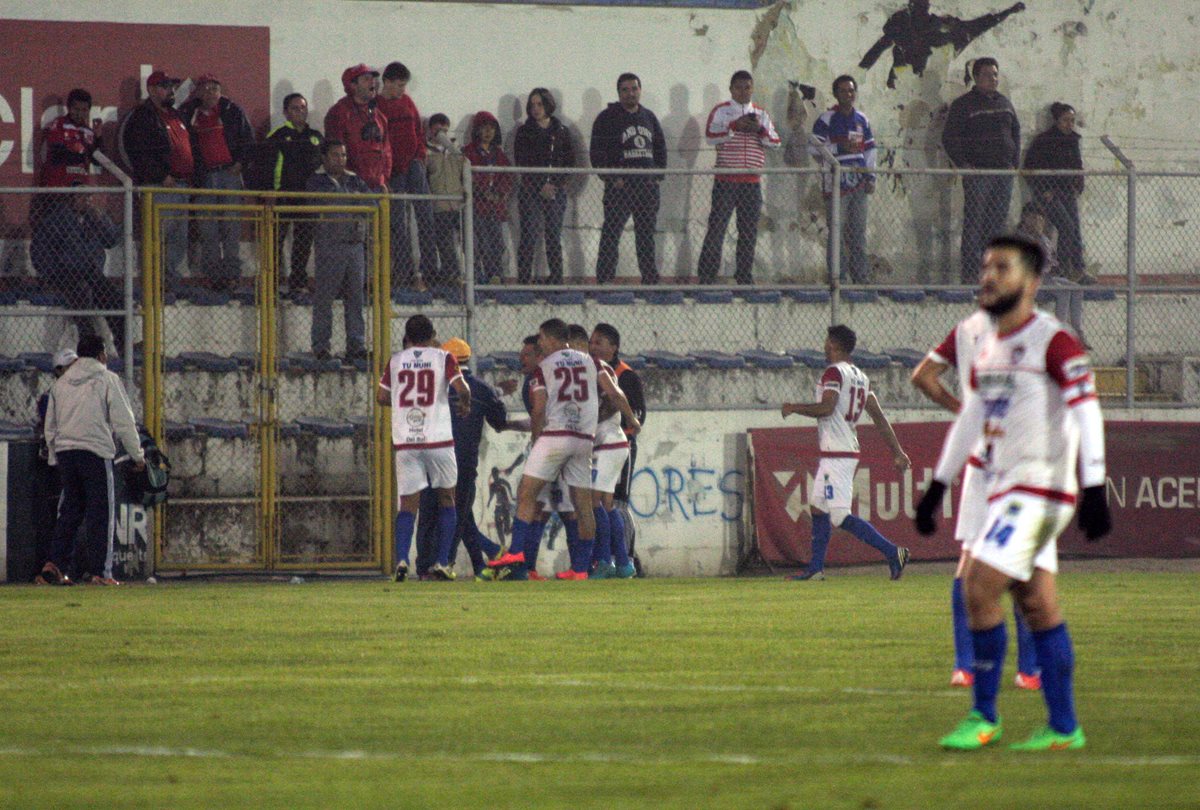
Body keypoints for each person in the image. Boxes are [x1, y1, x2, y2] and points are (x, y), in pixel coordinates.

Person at [916, 234, 1112, 751]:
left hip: (1040, 489)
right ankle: (1064, 727)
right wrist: (938, 484)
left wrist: (1094, 485)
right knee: (1038, 604)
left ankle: (983, 716)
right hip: (1005, 488)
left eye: (1001, 268)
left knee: (978, 586)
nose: (989, 276)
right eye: (985, 267)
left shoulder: (1054, 340)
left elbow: (1087, 410)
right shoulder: (989, 345)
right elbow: (973, 416)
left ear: (1031, 282)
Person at [911, 306, 1043, 691]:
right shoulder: (1036, 331)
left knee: (968, 563)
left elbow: (923, 377)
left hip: (980, 462)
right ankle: (1029, 671)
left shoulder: (967, 330)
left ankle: (964, 667)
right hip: (1019, 462)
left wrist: (963, 410)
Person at [488, 318, 640, 579]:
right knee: (584, 505)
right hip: (584, 440)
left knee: (527, 492)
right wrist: (632, 419)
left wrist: (537, 442)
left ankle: (515, 553)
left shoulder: (544, 367)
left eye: (542, 338)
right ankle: (582, 568)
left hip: (556, 437)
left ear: (553, 339)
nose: (540, 343)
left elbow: (538, 411)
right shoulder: (592, 362)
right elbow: (615, 393)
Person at [781, 325, 911, 580]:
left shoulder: (834, 373)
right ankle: (816, 570)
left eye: (827, 342)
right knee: (818, 507)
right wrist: (898, 451)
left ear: (834, 344)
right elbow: (878, 417)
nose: (824, 346)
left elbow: (827, 408)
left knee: (839, 516)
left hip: (837, 454)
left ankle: (893, 551)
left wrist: (795, 407)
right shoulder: (861, 377)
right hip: (843, 451)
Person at [39, 335, 145, 586]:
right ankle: (101, 572)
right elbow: (124, 421)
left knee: (70, 511)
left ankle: (55, 564)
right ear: (101, 354)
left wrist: (55, 456)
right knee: (101, 513)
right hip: (95, 451)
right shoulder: (107, 379)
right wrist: (137, 455)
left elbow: (50, 426)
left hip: (66, 453)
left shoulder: (60, 384)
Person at [377, 315, 471, 581]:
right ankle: (442, 561)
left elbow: (382, 396)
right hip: (439, 439)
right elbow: (461, 388)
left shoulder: (396, 361)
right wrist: (465, 403)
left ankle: (402, 559)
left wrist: (405, 404)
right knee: (447, 499)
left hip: (407, 441)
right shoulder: (443, 357)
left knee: (407, 504)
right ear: (433, 335)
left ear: (407, 336)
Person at [414, 338, 508, 580]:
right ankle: (462, 559)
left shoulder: (433, 386)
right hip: (465, 461)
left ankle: (430, 564)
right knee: (458, 512)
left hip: (432, 456)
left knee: (430, 512)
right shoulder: (481, 389)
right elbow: (499, 421)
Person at [697, 70, 781, 286]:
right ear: (731, 89)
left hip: (751, 183)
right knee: (717, 229)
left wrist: (759, 130)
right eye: (739, 87)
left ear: (753, 89)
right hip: (726, 180)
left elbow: (775, 142)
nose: (743, 91)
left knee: (749, 232)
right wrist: (735, 126)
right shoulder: (721, 111)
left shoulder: (761, 114)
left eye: (747, 87)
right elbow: (710, 138)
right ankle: (707, 277)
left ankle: (744, 276)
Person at [942, 57, 1020, 284]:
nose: (992, 79)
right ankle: (970, 274)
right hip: (978, 173)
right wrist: (963, 164)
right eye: (987, 75)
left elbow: (1015, 132)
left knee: (997, 224)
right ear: (976, 77)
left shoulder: (1005, 103)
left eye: (995, 75)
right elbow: (949, 137)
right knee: (975, 223)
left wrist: (1013, 161)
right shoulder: (964, 105)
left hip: (1003, 174)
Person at [571, 325, 640, 580]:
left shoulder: (596, 367)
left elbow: (615, 397)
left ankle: (605, 561)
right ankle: (622, 563)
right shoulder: (588, 369)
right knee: (606, 504)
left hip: (609, 443)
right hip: (610, 444)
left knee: (594, 502)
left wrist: (631, 419)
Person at [178, 74, 255, 291]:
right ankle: (213, 276)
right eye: (206, 88)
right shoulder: (188, 113)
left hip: (229, 174)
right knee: (207, 228)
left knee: (231, 226)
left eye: (215, 88)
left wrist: (240, 163)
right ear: (198, 91)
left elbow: (248, 140)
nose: (211, 92)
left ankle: (232, 275)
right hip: (204, 177)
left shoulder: (233, 111)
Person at [590, 73, 667, 285]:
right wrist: (611, 177)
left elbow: (660, 148)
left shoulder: (649, 118)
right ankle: (605, 278)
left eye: (634, 89)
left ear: (640, 90)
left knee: (646, 235)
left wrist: (657, 175)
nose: (630, 93)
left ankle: (649, 278)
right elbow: (596, 153)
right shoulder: (606, 118)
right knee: (611, 233)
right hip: (620, 189)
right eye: (625, 90)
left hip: (647, 188)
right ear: (619, 93)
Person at [118, 70, 193, 288]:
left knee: (178, 239)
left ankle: (169, 282)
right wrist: (161, 175)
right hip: (159, 186)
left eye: (172, 87)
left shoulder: (176, 115)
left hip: (182, 185)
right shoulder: (143, 116)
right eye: (165, 86)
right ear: (151, 90)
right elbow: (137, 152)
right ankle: (154, 284)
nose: (171, 91)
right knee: (157, 237)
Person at [29, 186, 124, 356]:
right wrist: (52, 273)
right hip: (64, 273)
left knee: (115, 298)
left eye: (88, 197)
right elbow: (39, 252)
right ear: (71, 198)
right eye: (81, 197)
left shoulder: (93, 218)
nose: (86, 201)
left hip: (91, 273)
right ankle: (89, 348)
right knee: (81, 293)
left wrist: (101, 219)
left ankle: (124, 346)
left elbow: (111, 240)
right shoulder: (56, 219)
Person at [305, 140, 371, 363]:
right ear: (324, 157)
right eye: (335, 155)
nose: (341, 160)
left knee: (356, 299)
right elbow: (320, 205)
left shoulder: (355, 179)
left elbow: (370, 204)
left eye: (343, 155)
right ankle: (321, 346)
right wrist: (351, 202)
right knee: (324, 299)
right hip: (330, 245)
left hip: (355, 245)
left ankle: (356, 345)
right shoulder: (316, 181)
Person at [589, 322, 645, 574]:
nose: (593, 346)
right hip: (601, 443)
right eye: (591, 342)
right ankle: (614, 559)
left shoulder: (624, 375)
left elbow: (638, 413)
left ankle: (626, 556)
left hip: (620, 443)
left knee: (618, 503)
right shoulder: (591, 370)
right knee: (605, 502)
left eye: (598, 342)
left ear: (613, 347)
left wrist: (620, 422)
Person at [810, 75, 877, 284]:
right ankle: (838, 278)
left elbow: (870, 150)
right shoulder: (826, 119)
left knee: (858, 232)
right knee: (836, 231)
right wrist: (839, 148)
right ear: (836, 94)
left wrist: (870, 176)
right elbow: (813, 148)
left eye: (851, 90)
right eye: (843, 91)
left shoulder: (862, 119)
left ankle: (861, 277)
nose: (848, 94)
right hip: (836, 183)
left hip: (858, 182)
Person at [379, 62, 435, 289]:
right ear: (388, 82)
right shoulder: (378, 106)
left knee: (426, 217)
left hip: (413, 165)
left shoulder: (408, 102)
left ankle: (430, 271)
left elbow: (419, 132)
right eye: (399, 85)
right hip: (394, 171)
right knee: (399, 223)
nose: (402, 90)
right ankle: (403, 272)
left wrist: (420, 155)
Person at [1023, 102, 1090, 283]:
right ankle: (1061, 267)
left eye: (1072, 120)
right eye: (1065, 120)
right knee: (1066, 226)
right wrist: (1044, 188)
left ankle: (1077, 268)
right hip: (1050, 192)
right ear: (1056, 120)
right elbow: (1030, 167)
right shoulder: (1044, 141)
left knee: (1075, 229)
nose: (1069, 124)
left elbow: (1077, 164)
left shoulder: (1073, 140)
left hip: (1067, 191)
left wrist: (1078, 182)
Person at [513, 88, 575, 285]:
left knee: (553, 236)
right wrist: (541, 184)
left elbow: (570, 160)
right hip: (531, 190)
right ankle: (524, 278)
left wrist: (555, 184)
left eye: (539, 104)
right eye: (532, 105)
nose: (536, 109)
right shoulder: (524, 131)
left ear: (548, 104)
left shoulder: (562, 131)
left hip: (556, 191)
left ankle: (556, 278)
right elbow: (522, 160)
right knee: (528, 234)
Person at [265, 92, 324, 293]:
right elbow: (265, 168)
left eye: (303, 108)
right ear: (285, 112)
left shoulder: (316, 137)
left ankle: (298, 282)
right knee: (275, 242)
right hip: (282, 197)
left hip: (308, 199)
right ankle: (271, 283)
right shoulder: (277, 136)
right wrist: (269, 193)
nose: (300, 112)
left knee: (303, 242)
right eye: (295, 108)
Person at [32, 349, 77, 576]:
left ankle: (64, 565)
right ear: (58, 371)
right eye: (67, 366)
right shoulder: (52, 396)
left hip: (67, 457)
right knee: (62, 512)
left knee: (69, 511)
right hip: (59, 460)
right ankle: (54, 565)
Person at [1015, 202, 1086, 345]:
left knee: (1076, 288)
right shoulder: (1020, 238)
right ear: (1024, 219)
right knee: (1063, 292)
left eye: (1040, 219)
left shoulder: (1044, 239)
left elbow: (1052, 260)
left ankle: (1078, 330)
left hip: (1047, 278)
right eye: (1033, 218)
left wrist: (1057, 269)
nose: (1037, 222)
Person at [463, 110, 513, 285]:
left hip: (495, 208)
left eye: (492, 128)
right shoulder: (468, 153)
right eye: (484, 128)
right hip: (477, 207)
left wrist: (498, 193)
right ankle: (478, 277)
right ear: (477, 130)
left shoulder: (498, 154)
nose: (488, 132)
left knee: (497, 244)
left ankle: (496, 275)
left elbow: (508, 176)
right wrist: (483, 191)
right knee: (479, 244)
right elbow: (467, 178)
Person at [323, 64, 391, 191]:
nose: (373, 82)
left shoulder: (379, 116)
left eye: (373, 78)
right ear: (353, 86)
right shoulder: (339, 113)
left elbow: (386, 150)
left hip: (377, 187)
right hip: (350, 188)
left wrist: (384, 179)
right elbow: (334, 152)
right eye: (366, 79)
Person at [424, 113, 464, 288]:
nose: (441, 134)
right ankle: (450, 275)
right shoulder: (426, 152)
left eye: (444, 131)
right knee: (446, 243)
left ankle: (470, 275)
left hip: (458, 203)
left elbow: (464, 172)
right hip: (439, 204)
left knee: (468, 242)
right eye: (438, 130)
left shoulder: (455, 151)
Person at [40, 88, 101, 189]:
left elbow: (97, 161)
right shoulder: (59, 124)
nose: (79, 114)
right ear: (68, 107)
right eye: (76, 109)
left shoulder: (89, 132)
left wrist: (98, 137)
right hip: (58, 188)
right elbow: (57, 154)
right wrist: (82, 153)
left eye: (84, 110)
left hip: (80, 189)